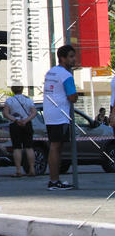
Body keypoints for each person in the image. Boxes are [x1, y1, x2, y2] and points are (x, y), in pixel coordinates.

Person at [43, 44, 77, 190]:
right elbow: (72, 97)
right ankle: (54, 181)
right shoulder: (66, 75)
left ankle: (54, 180)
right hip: (60, 115)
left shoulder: (51, 72)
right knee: (56, 147)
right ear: (62, 58)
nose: (74, 59)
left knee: (54, 146)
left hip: (50, 113)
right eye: (71, 57)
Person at [3, 86, 37, 177]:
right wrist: (26, 120)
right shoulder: (28, 100)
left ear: (12, 90)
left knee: (17, 147)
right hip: (27, 123)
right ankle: (32, 169)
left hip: (15, 124)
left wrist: (15, 120)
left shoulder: (10, 100)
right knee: (29, 147)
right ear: (22, 89)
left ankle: (18, 170)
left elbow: (5, 113)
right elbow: (34, 112)